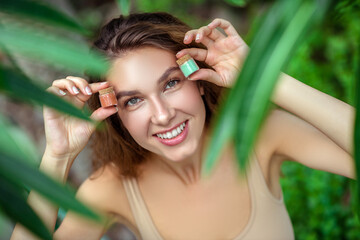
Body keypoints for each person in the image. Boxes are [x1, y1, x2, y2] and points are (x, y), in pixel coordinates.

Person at [11, 12, 355, 240]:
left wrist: (263, 77)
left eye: (171, 84)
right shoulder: (112, 188)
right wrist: (57, 156)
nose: (162, 115)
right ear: (116, 114)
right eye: (133, 100)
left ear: (200, 81)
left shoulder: (259, 137)